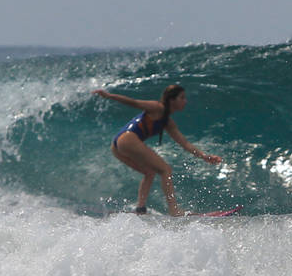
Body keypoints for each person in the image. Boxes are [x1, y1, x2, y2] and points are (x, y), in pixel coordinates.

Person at [93, 84, 222, 216]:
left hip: (117, 145)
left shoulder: (168, 122)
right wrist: (109, 96)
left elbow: (185, 144)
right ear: (172, 100)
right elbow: (133, 102)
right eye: (182, 98)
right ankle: (174, 210)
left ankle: (140, 209)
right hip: (127, 139)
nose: (185, 101)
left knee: (149, 172)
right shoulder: (157, 107)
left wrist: (204, 156)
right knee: (165, 169)